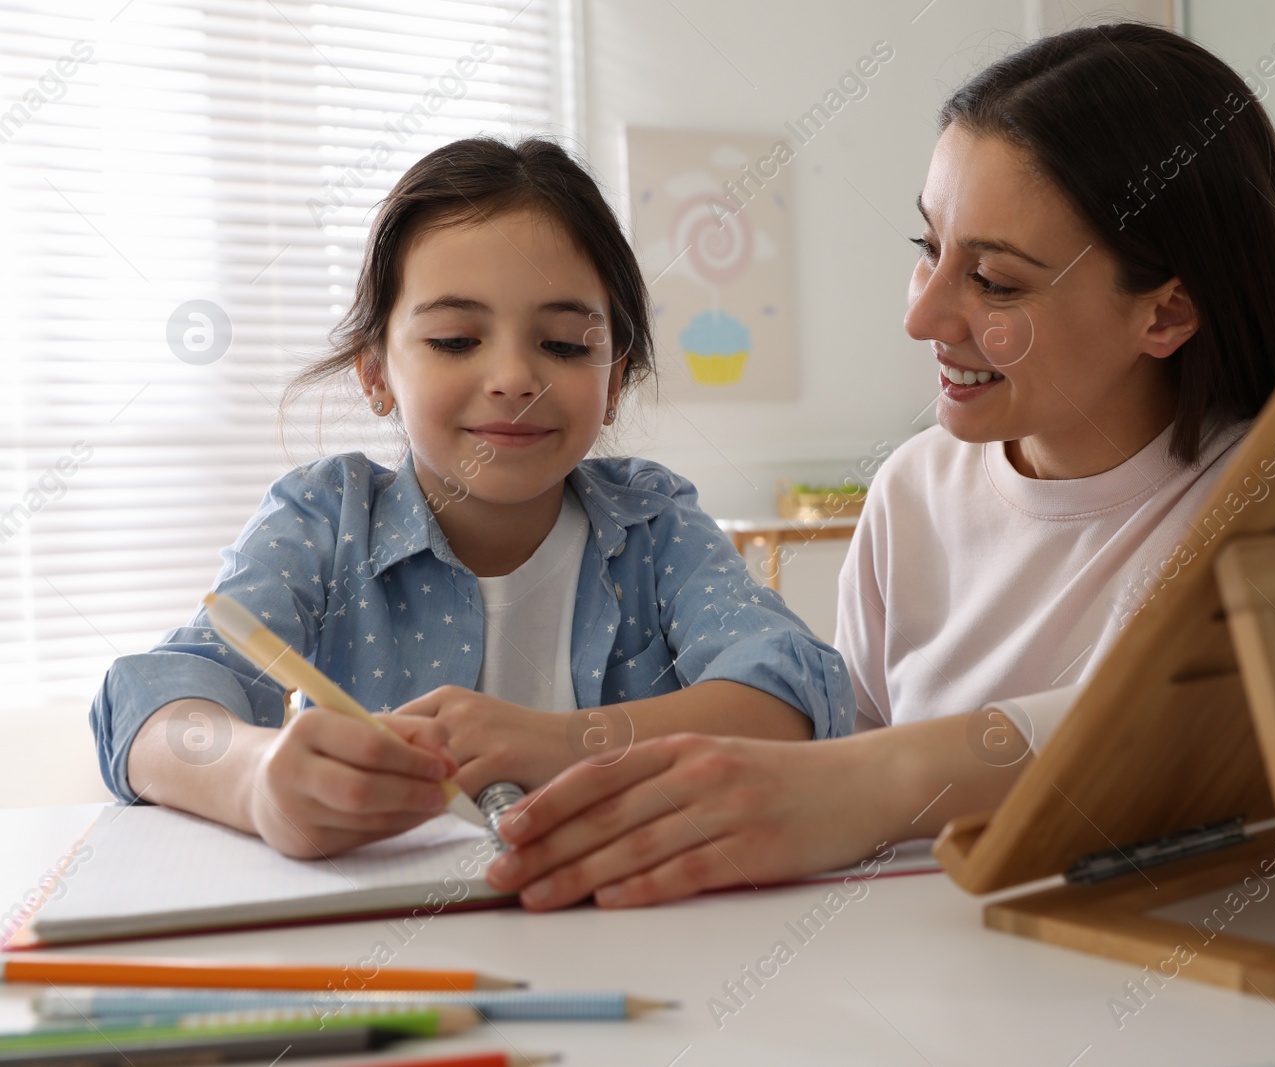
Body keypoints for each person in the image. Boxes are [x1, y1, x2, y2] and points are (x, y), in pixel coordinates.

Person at [478, 23, 1275, 911]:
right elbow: (836, 765)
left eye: (993, 279)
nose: (920, 315)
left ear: (1165, 311)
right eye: (930, 246)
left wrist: (895, 779)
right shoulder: (915, 492)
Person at [89, 137, 854, 859]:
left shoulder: (653, 523)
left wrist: (559, 741)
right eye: (456, 339)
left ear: (614, 379)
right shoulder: (326, 520)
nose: (515, 376)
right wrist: (257, 781)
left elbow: (789, 695)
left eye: (563, 344)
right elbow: (152, 706)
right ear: (376, 373)